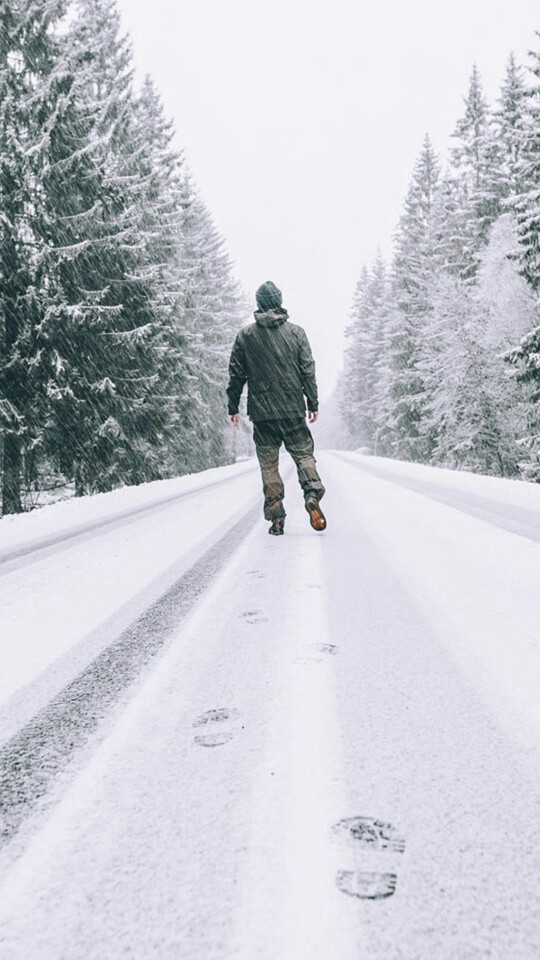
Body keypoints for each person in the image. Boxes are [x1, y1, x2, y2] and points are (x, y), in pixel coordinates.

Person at [227, 280, 326, 536]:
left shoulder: (246, 336)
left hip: (262, 412)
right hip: (292, 409)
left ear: (259, 304)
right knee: (303, 454)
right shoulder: (296, 333)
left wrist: (233, 405)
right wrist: (312, 402)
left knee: (269, 464)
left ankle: (277, 517)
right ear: (279, 302)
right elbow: (307, 370)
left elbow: (236, 374)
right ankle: (312, 492)